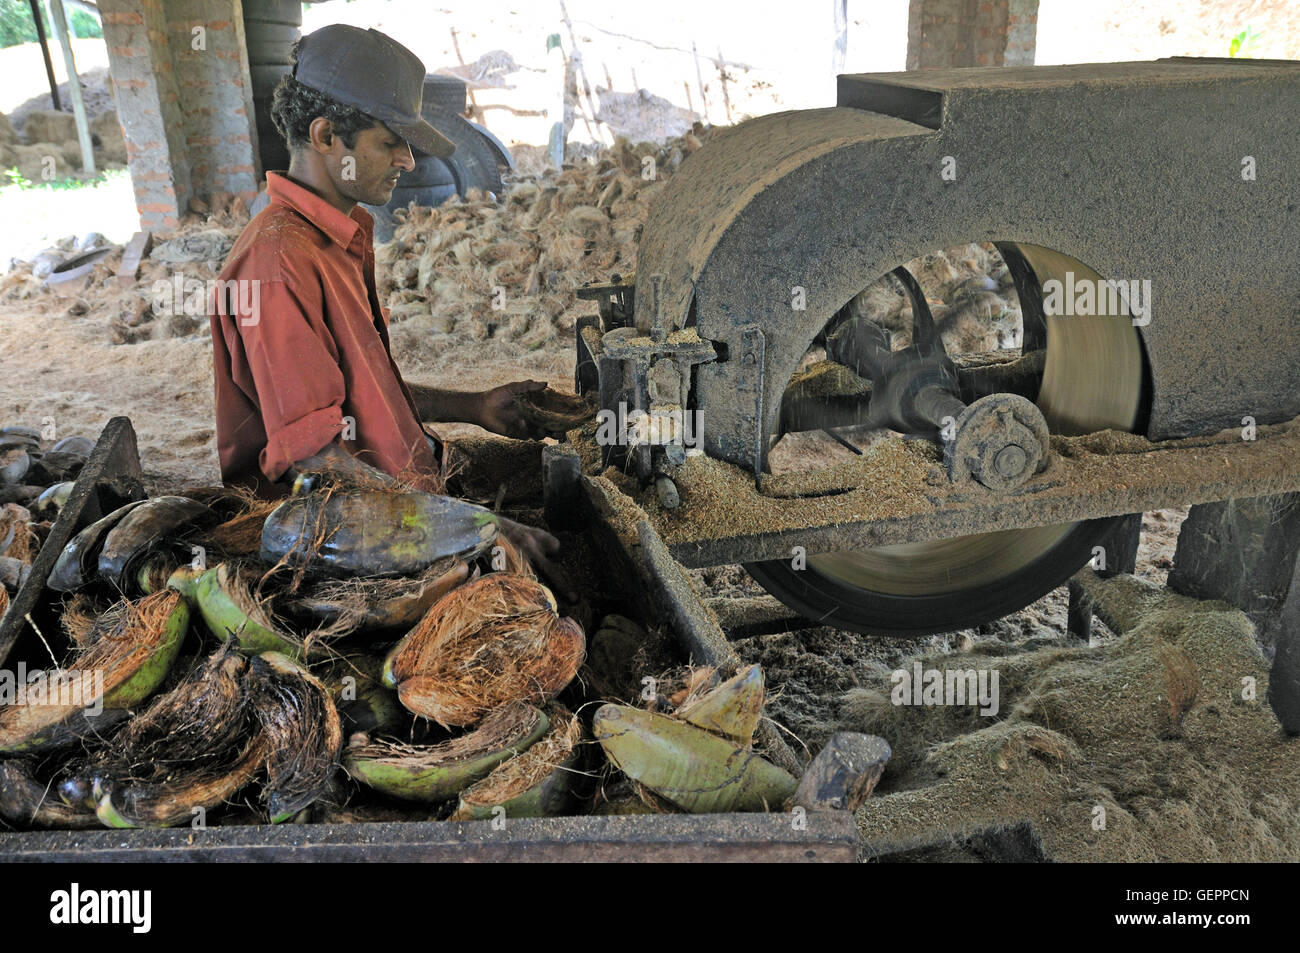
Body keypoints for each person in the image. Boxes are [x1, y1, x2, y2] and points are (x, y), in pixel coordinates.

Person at [209, 24, 565, 586]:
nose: (406, 159)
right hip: (334, 546)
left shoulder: (333, 237)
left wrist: (472, 406)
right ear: (326, 135)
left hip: (395, 503)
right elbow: (317, 464)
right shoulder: (278, 263)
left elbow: (355, 399)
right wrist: (475, 528)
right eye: (389, 142)